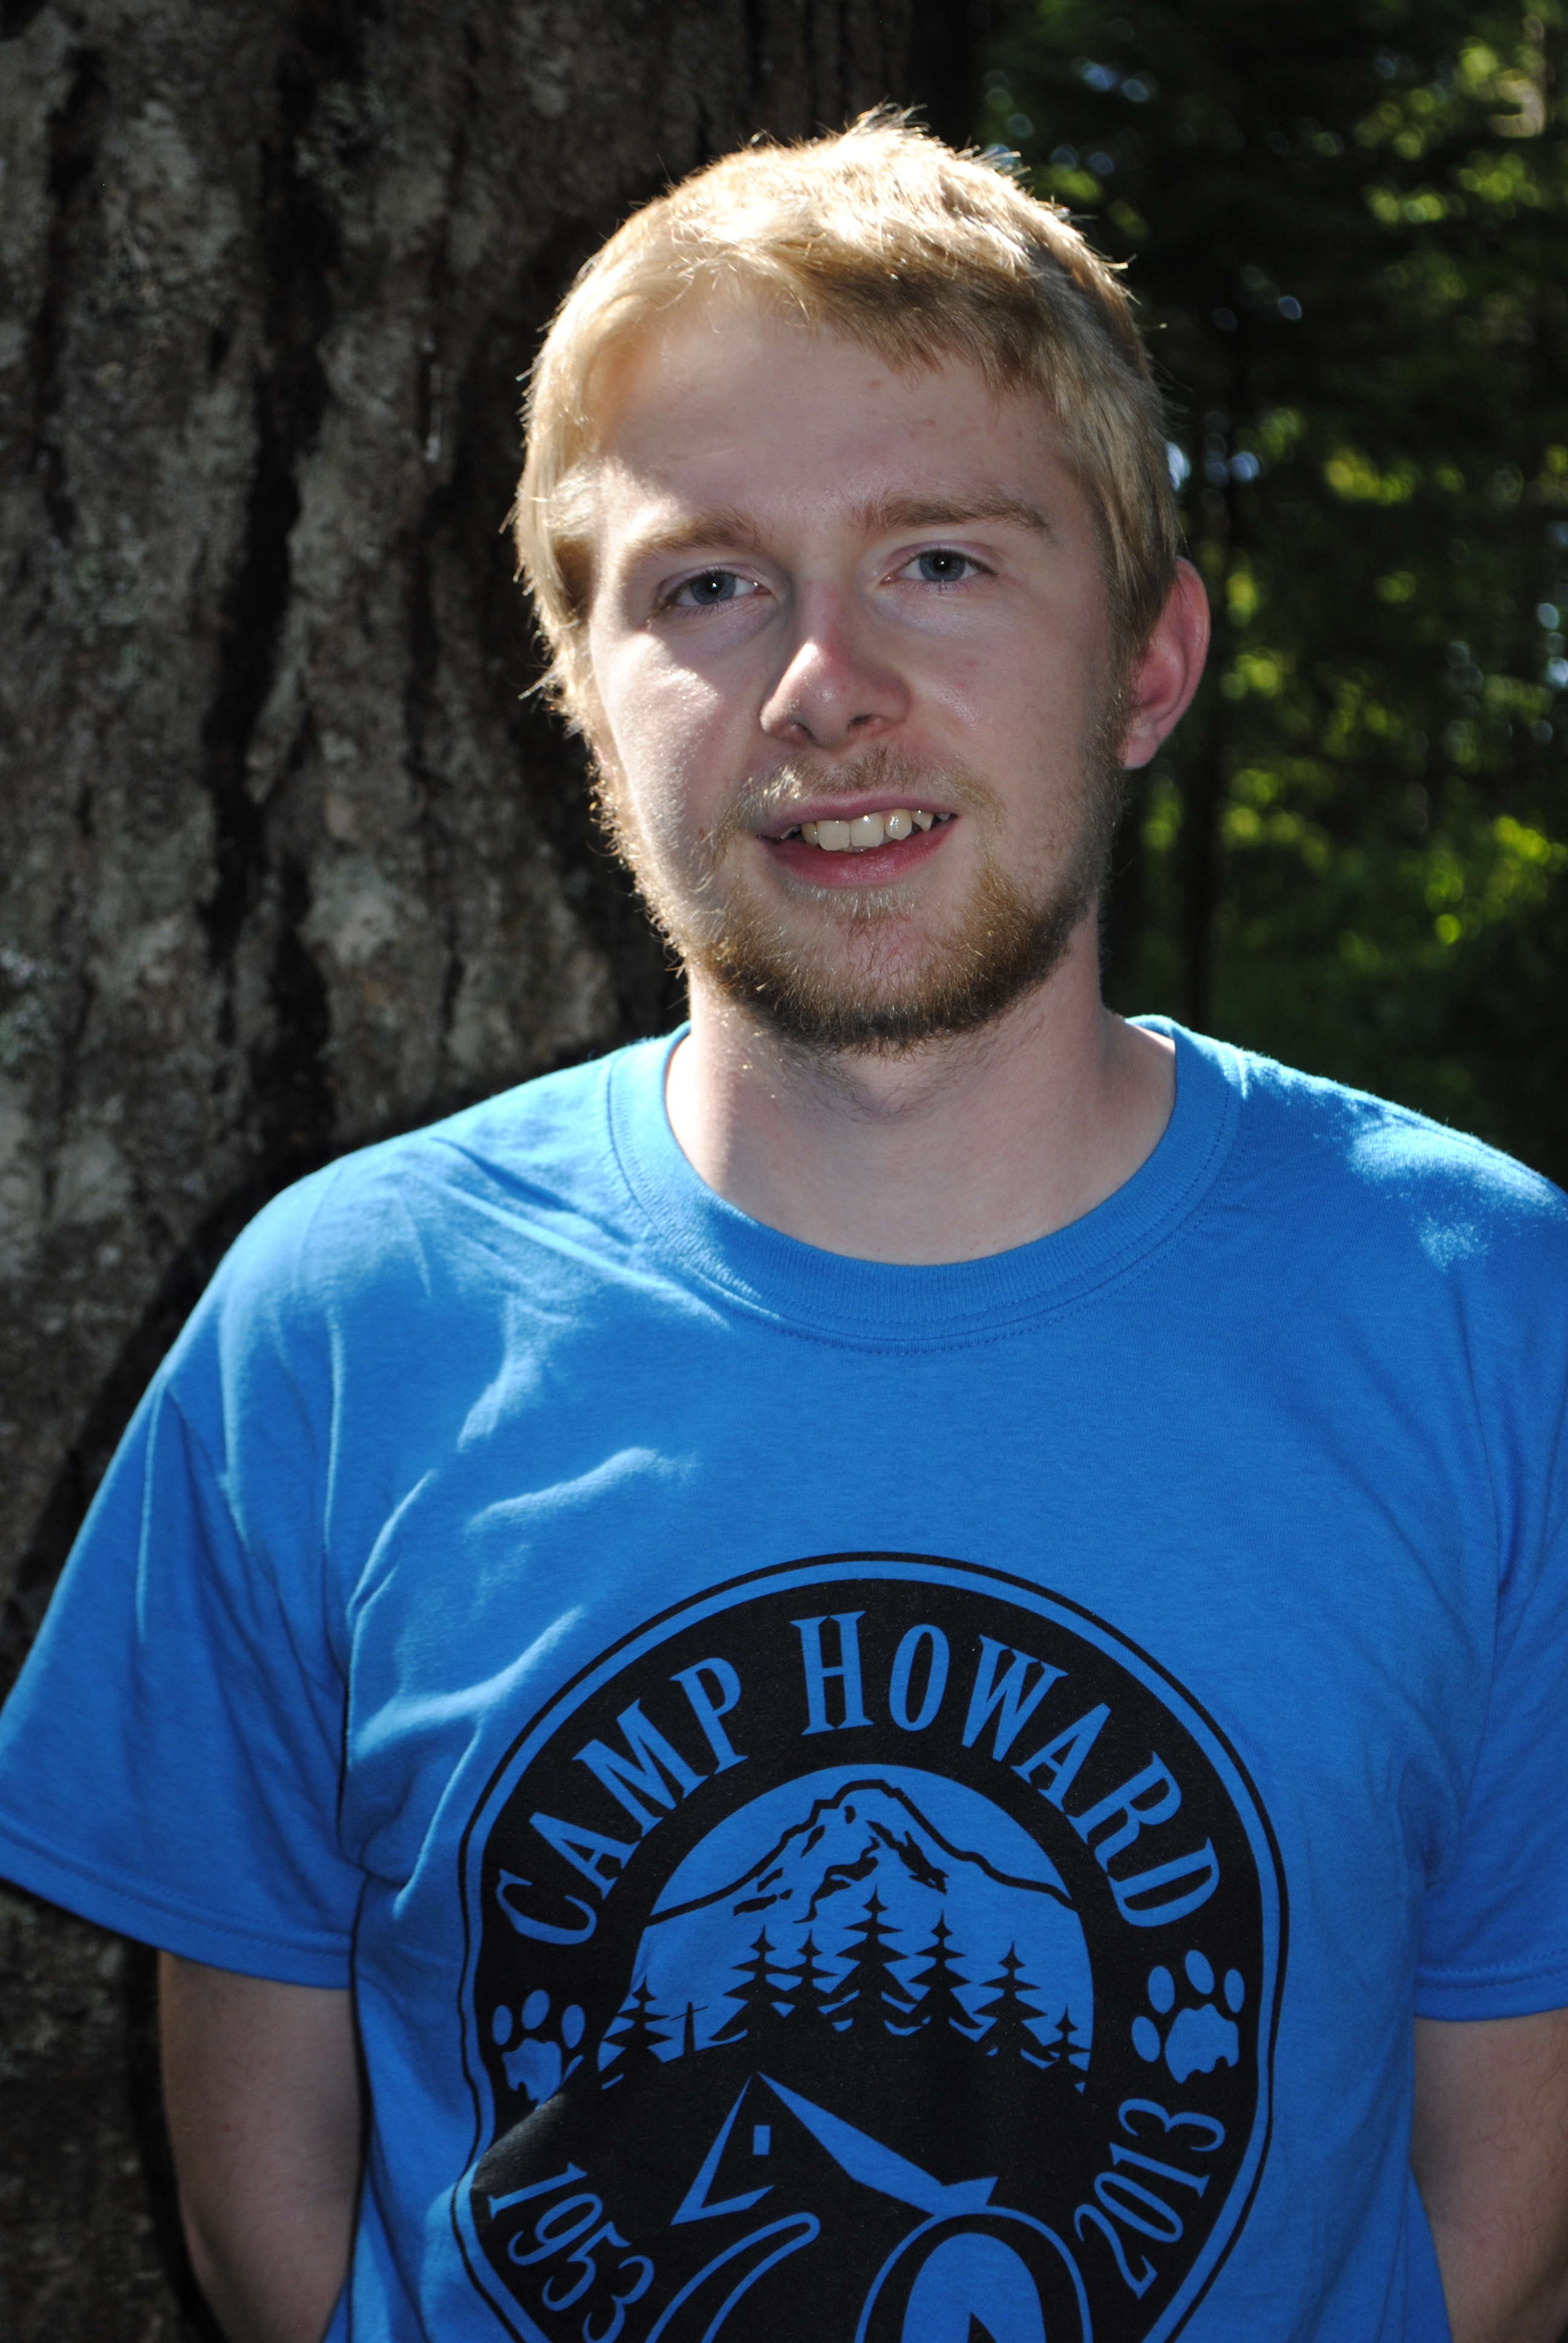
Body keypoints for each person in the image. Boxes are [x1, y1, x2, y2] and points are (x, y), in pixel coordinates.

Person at [1, 114, 1566, 2343]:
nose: (824, 683)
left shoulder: (1486, 1317)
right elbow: (277, 2208)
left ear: (1147, 663)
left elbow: (1503, 2208)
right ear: (582, 692)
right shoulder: (338, 1328)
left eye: (940, 560)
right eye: (708, 585)